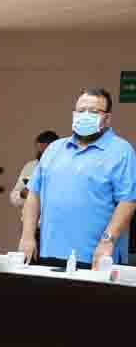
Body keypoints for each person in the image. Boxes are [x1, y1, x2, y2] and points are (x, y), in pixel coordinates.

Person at [19, 89, 136, 268]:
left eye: (94, 111)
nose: (85, 115)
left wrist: (107, 241)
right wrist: (27, 237)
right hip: (49, 252)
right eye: (81, 111)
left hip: (96, 256)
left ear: (107, 119)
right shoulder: (54, 149)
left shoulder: (121, 151)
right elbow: (34, 195)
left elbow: (127, 201)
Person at [10, 130, 60, 216]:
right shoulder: (30, 167)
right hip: (32, 221)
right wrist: (22, 194)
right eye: (39, 150)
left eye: (46, 150)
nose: (42, 154)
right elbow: (14, 198)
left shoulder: (67, 167)